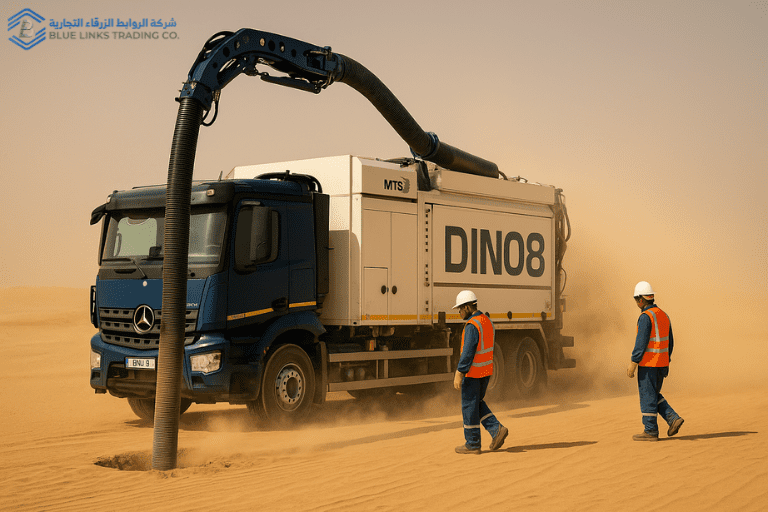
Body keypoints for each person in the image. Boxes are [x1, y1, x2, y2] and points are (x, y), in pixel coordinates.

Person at [626, 281, 684, 441]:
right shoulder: (663, 315)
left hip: (649, 364)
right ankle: (673, 418)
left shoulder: (646, 317)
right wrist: (666, 361)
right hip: (662, 363)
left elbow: (641, 343)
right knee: (653, 395)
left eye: (636, 300)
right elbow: (670, 342)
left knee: (647, 396)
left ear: (640, 300)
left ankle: (650, 430)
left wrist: (633, 363)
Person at [452, 290, 509, 454]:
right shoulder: (486, 321)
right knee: (476, 403)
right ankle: (497, 430)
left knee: (469, 406)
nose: (459, 312)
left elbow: (468, 352)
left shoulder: (472, 325)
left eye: (460, 308)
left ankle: (472, 444)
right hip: (486, 371)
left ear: (467, 307)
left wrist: (459, 372)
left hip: (473, 373)